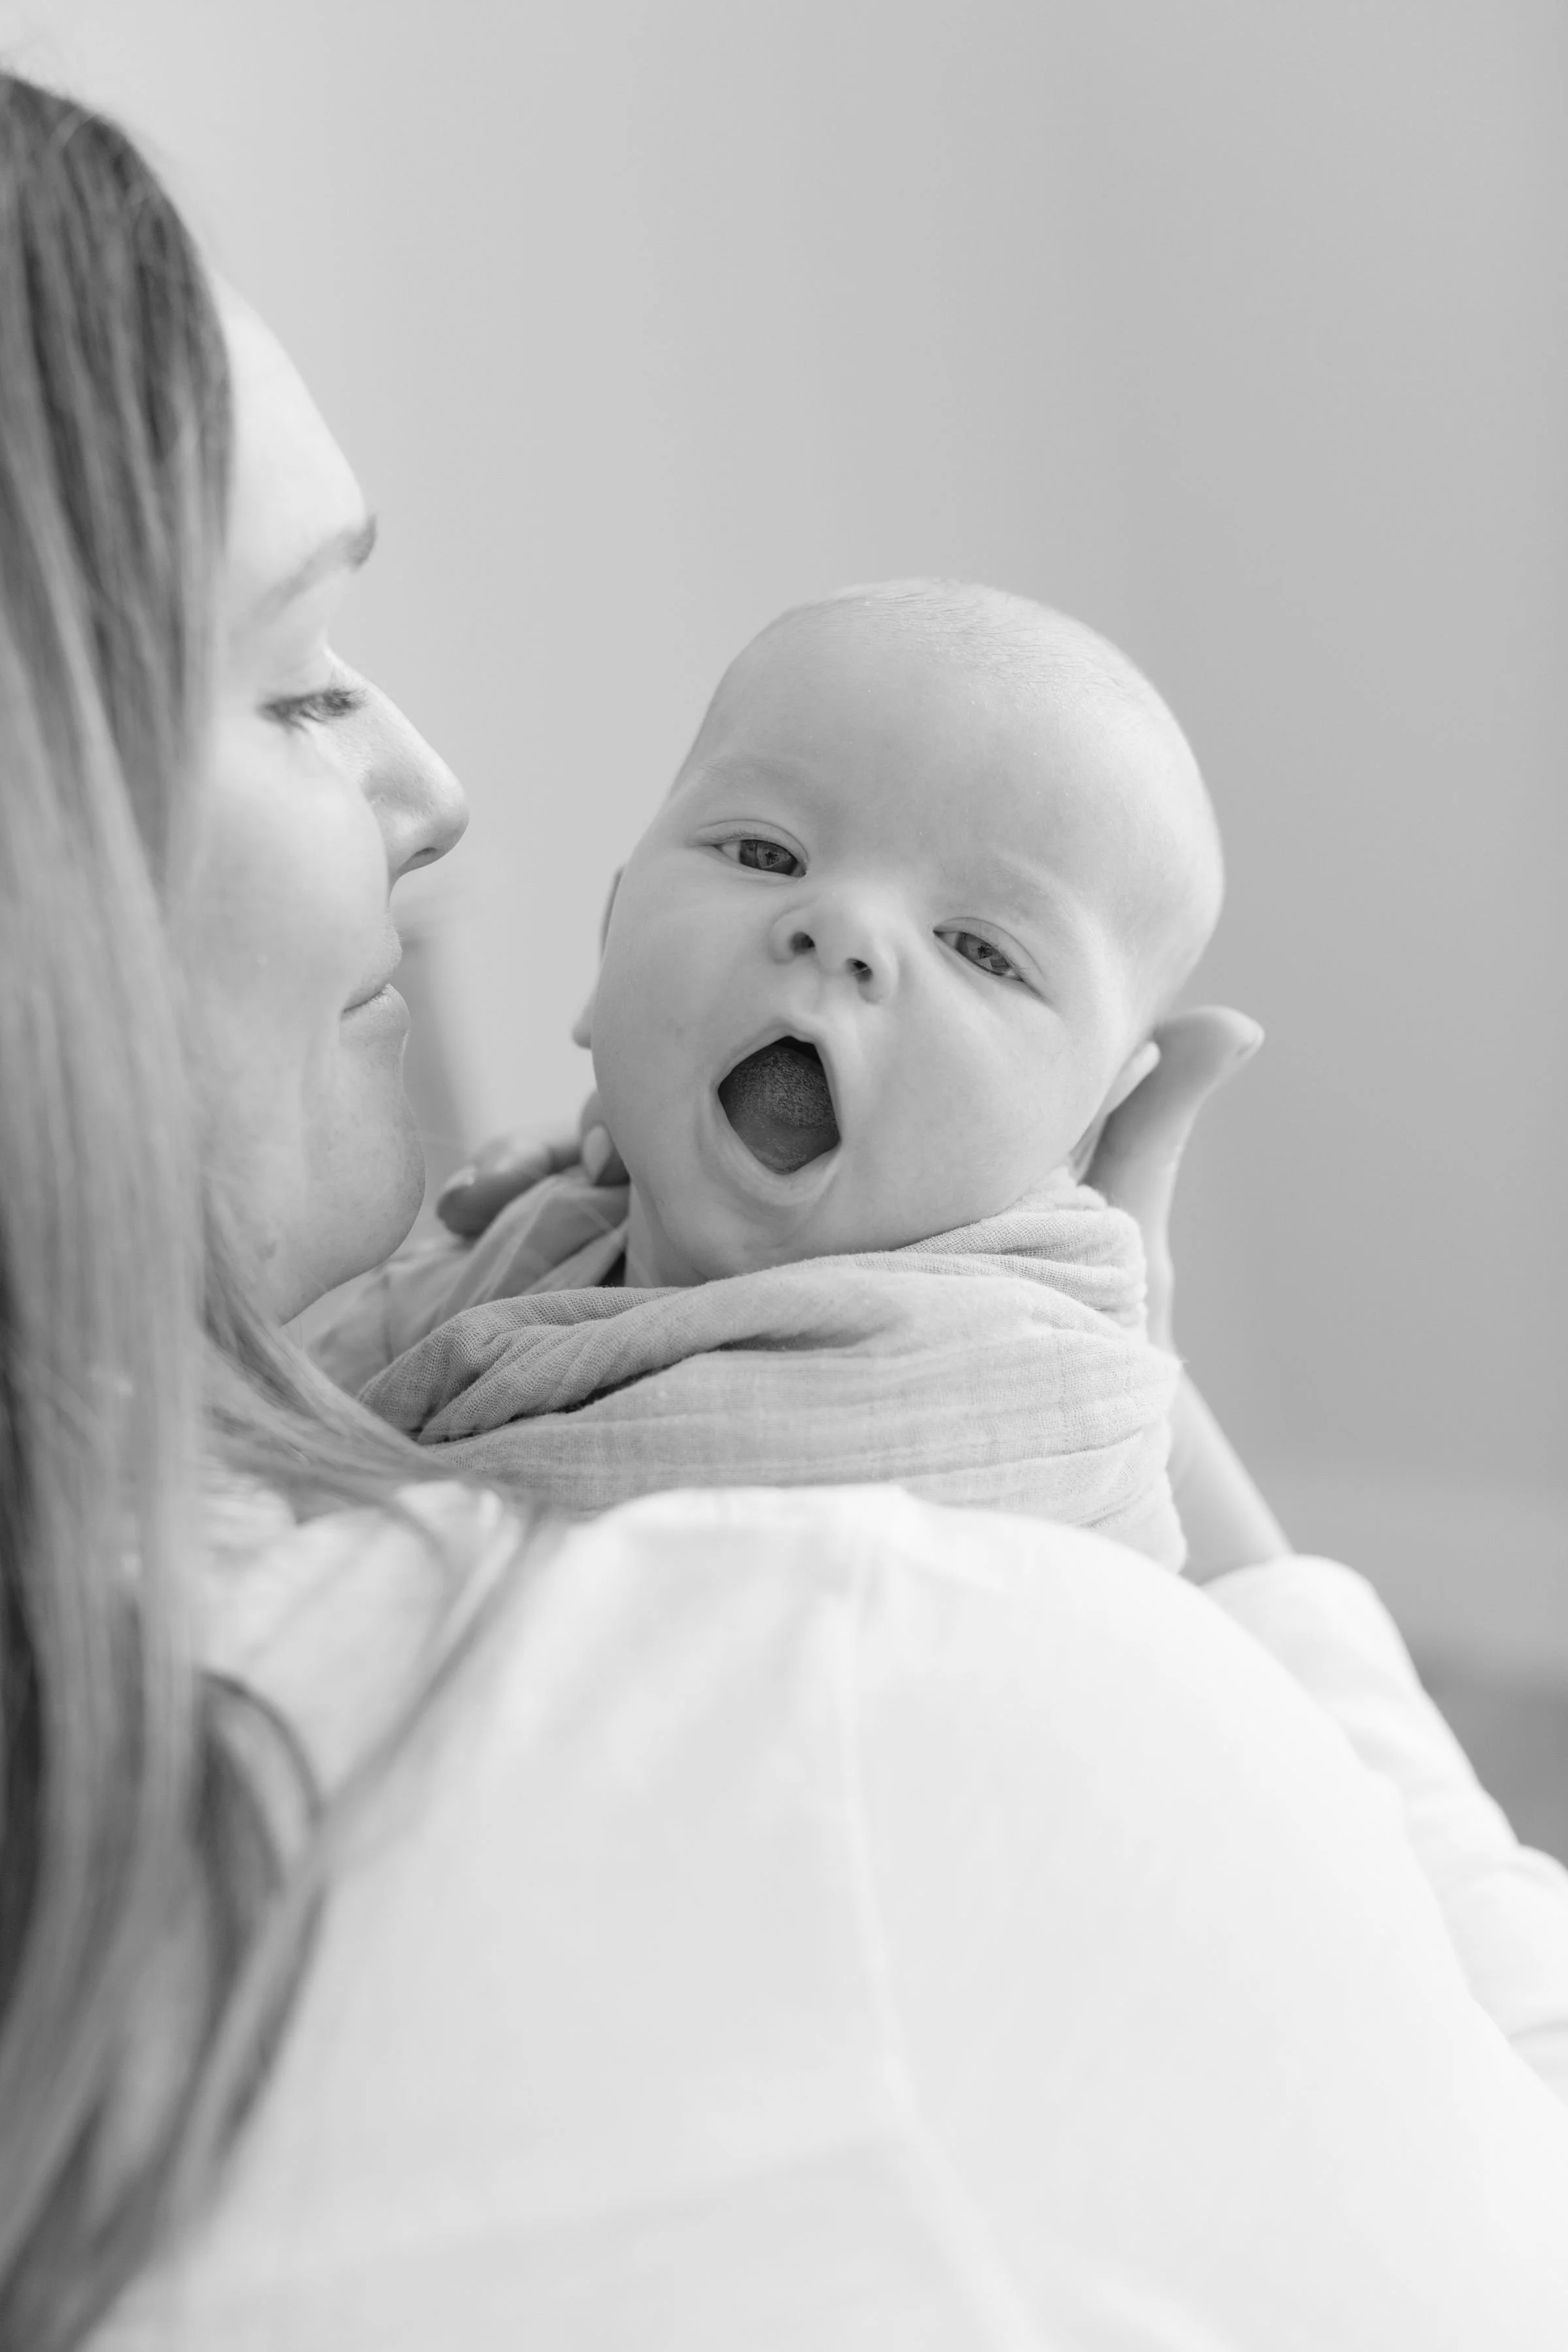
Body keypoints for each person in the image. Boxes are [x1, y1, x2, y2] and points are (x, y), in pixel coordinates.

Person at [2, 70, 1567, 2352]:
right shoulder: (875, 1706)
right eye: (303, 679)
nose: (437, 791)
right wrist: (1249, 1572)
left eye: (989, 948)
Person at [311, 583, 1222, 1568]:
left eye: (980, 949)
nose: (843, 929)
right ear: (608, 947)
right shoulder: (505, 1259)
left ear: (1082, 1131)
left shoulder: (1027, 1382)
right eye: (764, 852)